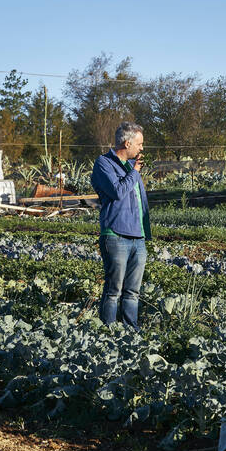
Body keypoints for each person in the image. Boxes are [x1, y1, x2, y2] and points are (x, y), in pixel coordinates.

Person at [91, 121, 151, 330]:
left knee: (133, 291)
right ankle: (108, 331)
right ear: (127, 143)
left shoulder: (129, 167)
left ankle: (130, 331)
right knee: (113, 289)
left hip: (137, 237)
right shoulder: (103, 164)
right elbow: (117, 192)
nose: (142, 148)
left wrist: (145, 233)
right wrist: (135, 171)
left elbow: (138, 202)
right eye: (139, 144)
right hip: (116, 236)